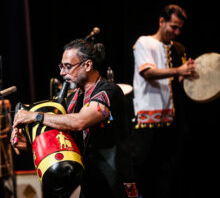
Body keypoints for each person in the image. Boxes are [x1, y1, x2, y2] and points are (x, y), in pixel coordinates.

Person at [11, 38, 137, 198]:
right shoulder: (72, 99)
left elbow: (80, 122)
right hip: (89, 182)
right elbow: (61, 139)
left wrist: (35, 116)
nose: (62, 73)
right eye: (61, 66)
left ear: (88, 65)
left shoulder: (109, 91)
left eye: (68, 67)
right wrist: (30, 143)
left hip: (114, 182)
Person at [132, 4, 195, 198]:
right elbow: (147, 72)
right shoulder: (144, 42)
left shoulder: (176, 48)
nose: (176, 32)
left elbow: (179, 79)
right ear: (161, 21)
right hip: (147, 116)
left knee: (166, 170)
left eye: (179, 28)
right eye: (173, 26)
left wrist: (188, 74)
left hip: (171, 117)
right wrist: (179, 70)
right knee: (142, 166)